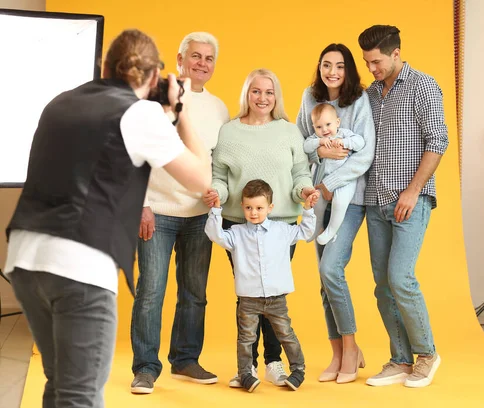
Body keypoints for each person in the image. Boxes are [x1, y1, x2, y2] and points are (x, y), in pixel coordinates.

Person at [2, 29, 213, 407]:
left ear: (104, 66)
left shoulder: (61, 102)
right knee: (81, 395)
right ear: (153, 78)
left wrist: (162, 114)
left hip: (24, 260)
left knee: (61, 383)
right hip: (79, 267)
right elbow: (201, 180)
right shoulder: (141, 114)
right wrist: (180, 114)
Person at [202, 68, 315, 387]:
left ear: (276, 97)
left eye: (269, 92)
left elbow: (299, 176)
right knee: (249, 294)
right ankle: (247, 366)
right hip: (238, 224)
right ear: (246, 94)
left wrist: (305, 192)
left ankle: (274, 361)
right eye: (256, 91)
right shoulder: (229, 132)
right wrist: (217, 195)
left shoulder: (289, 131)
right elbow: (220, 178)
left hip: (280, 226)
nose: (262, 98)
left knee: (273, 291)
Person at [130, 31, 229, 395]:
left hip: (200, 215)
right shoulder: (155, 98)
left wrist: (218, 194)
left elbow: (219, 160)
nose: (202, 63)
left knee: (194, 291)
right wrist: (141, 205)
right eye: (196, 56)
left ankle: (185, 359)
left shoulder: (219, 108)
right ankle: (145, 368)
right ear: (180, 59)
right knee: (151, 291)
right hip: (156, 210)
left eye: (209, 58)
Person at [358, 24, 449, 388]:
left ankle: (427, 353)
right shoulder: (371, 93)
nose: (372, 68)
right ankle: (399, 359)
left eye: (376, 61)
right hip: (376, 201)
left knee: (401, 277)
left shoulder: (423, 85)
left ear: (396, 53)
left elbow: (437, 140)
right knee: (382, 285)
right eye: (367, 62)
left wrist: (413, 191)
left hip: (410, 200)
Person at [296, 43, 375, 384]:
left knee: (332, 269)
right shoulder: (308, 98)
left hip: (349, 197)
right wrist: (321, 154)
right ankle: (338, 353)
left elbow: (363, 153)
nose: (332, 72)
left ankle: (352, 346)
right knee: (323, 279)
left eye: (339, 66)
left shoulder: (359, 101)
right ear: (319, 67)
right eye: (326, 65)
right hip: (317, 199)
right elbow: (301, 145)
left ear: (348, 70)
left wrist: (331, 181)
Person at [205, 179, 319, 392]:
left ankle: (298, 370)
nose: (254, 212)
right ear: (242, 208)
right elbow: (215, 235)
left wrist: (309, 210)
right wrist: (215, 210)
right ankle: (246, 373)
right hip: (248, 299)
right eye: (248, 208)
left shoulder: (282, 230)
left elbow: (305, 231)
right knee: (246, 338)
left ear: (270, 208)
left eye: (259, 208)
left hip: (276, 298)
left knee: (286, 334)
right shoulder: (237, 233)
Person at [303, 103, 365, 245]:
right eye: (319, 127)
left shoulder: (343, 134)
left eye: (328, 124)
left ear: (337, 122)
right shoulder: (315, 139)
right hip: (322, 181)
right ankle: (315, 228)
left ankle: (330, 231)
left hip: (344, 181)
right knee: (316, 204)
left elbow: (360, 142)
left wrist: (344, 142)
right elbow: (306, 146)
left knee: (340, 203)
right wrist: (319, 142)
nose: (324, 130)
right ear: (314, 128)